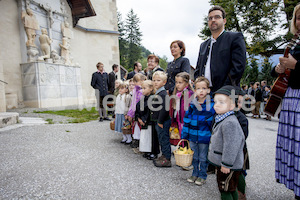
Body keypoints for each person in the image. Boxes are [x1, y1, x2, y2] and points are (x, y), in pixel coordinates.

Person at [273, 4, 300, 200]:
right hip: (291, 97)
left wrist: (296, 65)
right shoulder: (295, 42)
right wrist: (279, 69)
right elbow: (285, 69)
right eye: (298, 18)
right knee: (293, 146)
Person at [194, 5, 246, 93]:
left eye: (217, 17)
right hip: (204, 94)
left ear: (224, 20)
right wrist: (199, 87)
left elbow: (238, 68)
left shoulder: (234, 38)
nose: (213, 20)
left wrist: (224, 89)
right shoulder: (203, 45)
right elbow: (198, 69)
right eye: (210, 18)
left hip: (226, 93)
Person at [208, 85, 245, 200]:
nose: (217, 105)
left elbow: (231, 145)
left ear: (232, 106)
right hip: (224, 163)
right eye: (215, 102)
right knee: (230, 188)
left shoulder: (229, 123)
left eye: (221, 102)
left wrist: (226, 163)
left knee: (225, 189)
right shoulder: (223, 118)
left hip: (227, 164)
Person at [181, 76, 215, 186]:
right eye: (198, 88)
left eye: (204, 88)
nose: (201, 91)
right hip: (192, 135)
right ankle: (195, 173)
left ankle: (202, 175)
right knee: (194, 156)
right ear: (195, 90)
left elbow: (213, 122)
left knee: (203, 157)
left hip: (204, 136)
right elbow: (187, 120)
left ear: (208, 90)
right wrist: (184, 135)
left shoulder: (212, 105)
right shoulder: (192, 104)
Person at [151, 71, 172, 167]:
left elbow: (165, 109)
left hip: (162, 121)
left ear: (164, 82)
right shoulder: (158, 93)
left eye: (158, 80)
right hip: (158, 121)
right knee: (161, 138)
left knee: (164, 139)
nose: (155, 82)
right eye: (154, 80)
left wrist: (160, 121)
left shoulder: (163, 94)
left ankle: (167, 159)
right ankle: (163, 155)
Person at [169, 72, 194, 146]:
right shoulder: (177, 93)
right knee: (181, 137)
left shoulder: (188, 93)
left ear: (186, 84)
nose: (177, 85)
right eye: (176, 82)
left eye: (180, 82)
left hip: (185, 121)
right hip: (179, 120)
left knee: (186, 139)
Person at [135, 80, 156, 159]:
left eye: (144, 88)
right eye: (142, 88)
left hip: (149, 121)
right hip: (142, 120)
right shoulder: (143, 98)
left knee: (151, 137)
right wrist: (138, 118)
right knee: (145, 137)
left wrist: (144, 119)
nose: (142, 90)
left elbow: (149, 110)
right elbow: (138, 107)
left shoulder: (152, 98)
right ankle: (147, 150)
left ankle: (152, 151)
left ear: (151, 88)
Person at [126, 73, 147, 150]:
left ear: (142, 81)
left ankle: (143, 147)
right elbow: (133, 103)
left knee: (141, 130)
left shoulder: (142, 91)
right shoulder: (136, 90)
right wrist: (130, 113)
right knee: (137, 128)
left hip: (141, 112)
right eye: (134, 81)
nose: (135, 83)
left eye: (136, 81)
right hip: (136, 112)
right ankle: (139, 145)